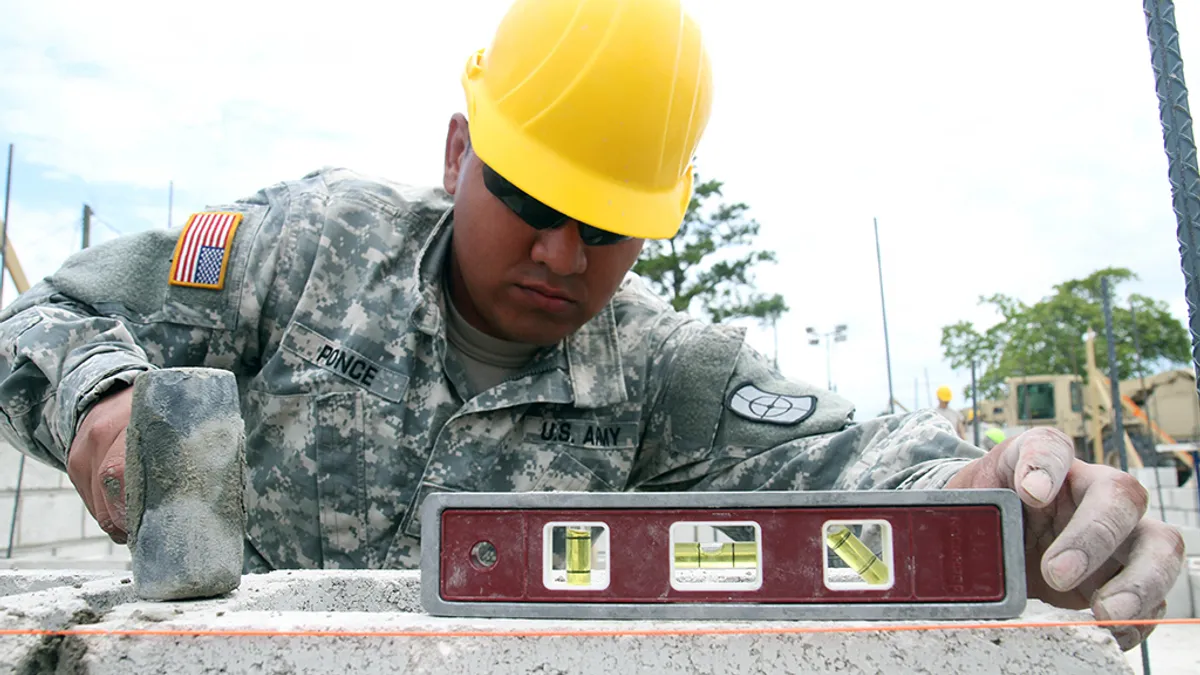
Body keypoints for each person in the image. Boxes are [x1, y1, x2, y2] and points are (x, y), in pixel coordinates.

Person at [0, 0, 1181, 650]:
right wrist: (104, 410)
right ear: (460, 151)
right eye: (529, 202)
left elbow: (865, 461)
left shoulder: (663, 370)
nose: (562, 256)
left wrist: (1002, 504)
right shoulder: (309, 249)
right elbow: (46, 316)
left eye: (607, 229)